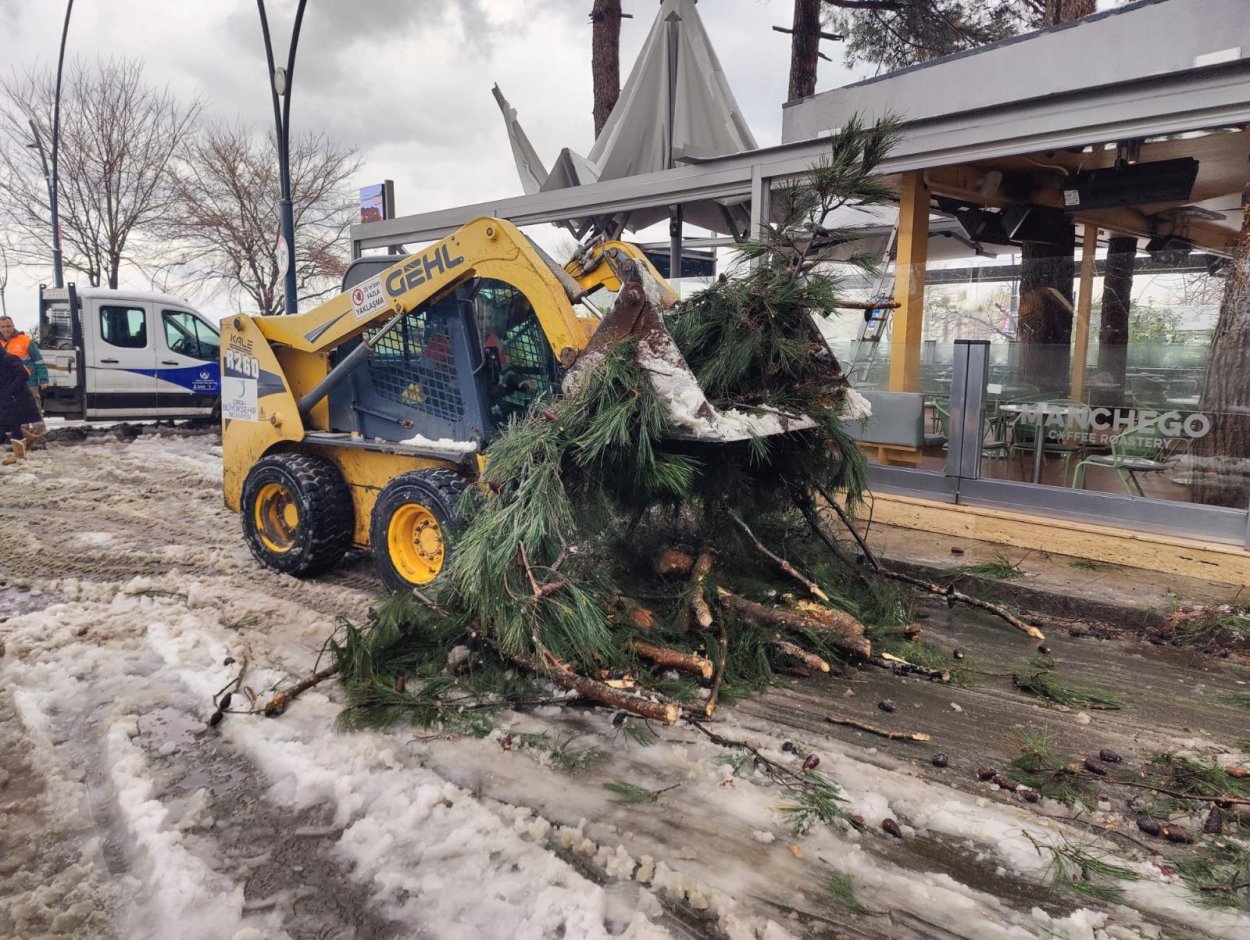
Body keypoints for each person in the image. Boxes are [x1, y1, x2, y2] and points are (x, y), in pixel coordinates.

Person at [0, 347, 43, 465]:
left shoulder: (9, 359)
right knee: (6, 423)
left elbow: (23, 375)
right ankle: (27, 439)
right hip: (7, 398)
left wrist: (10, 392)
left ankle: (19, 456)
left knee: (12, 424)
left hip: (16, 397)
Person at [0, 316, 49, 412]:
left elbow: (38, 361)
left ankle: (37, 427)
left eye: (8, 326)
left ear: (13, 326)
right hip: (7, 385)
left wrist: (43, 379)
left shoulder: (25, 340)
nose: (6, 329)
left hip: (29, 383)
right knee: (14, 415)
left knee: (35, 411)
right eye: (3, 327)